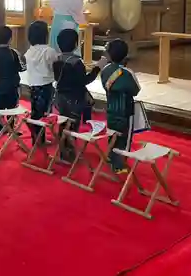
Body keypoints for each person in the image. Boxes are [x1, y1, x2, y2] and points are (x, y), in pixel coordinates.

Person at [53, 29, 107, 162]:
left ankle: (62, 153)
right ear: (76, 44)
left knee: (63, 123)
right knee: (72, 126)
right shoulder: (76, 62)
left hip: (60, 97)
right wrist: (98, 68)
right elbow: (84, 81)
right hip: (74, 99)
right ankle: (69, 155)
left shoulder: (56, 59)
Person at [101, 39, 140, 174]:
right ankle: (120, 165)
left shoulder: (105, 70)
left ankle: (111, 158)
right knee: (124, 138)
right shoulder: (127, 73)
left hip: (111, 108)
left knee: (112, 134)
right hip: (125, 111)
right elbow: (136, 90)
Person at [24, 21, 58, 145]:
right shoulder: (49, 51)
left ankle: (37, 138)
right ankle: (40, 139)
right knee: (44, 114)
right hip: (46, 86)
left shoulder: (30, 51)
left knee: (36, 112)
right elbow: (54, 67)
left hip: (33, 86)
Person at [0, 26, 26, 132]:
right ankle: (11, 128)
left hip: (0, 83)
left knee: (0, 108)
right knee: (12, 108)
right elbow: (22, 68)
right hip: (12, 85)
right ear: (10, 38)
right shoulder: (13, 52)